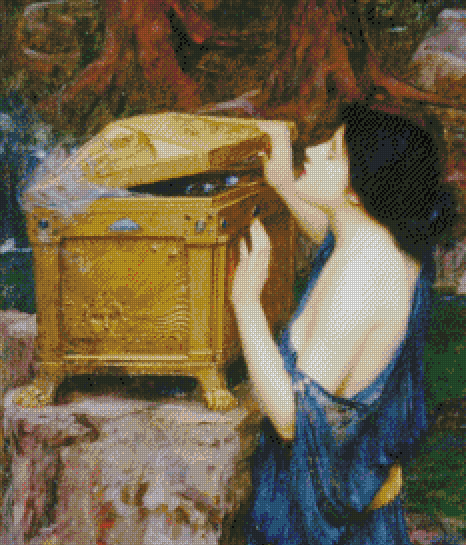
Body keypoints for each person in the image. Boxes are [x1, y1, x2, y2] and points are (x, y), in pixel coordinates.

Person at [231, 101, 457, 544]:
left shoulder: (359, 285)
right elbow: (331, 234)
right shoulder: (384, 242)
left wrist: (245, 303)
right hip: (368, 508)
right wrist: (284, 183)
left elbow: (292, 420)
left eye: (333, 152)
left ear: (357, 190)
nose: (313, 151)